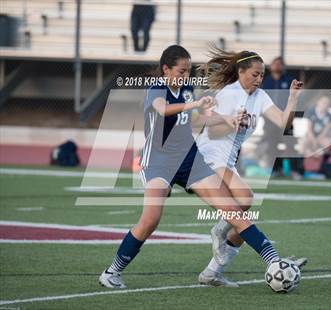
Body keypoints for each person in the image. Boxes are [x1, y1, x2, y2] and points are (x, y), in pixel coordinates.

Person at [99, 45, 294, 289]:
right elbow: (163, 109)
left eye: (188, 71)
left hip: (189, 159)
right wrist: (193, 105)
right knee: (150, 220)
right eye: (181, 71)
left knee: (233, 210)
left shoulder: (188, 90)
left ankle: (273, 260)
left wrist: (226, 119)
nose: (185, 76)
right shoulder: (157, 88)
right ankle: (112, 272)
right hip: (159, 161)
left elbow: (197, 120)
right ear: (166, 69)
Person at [196, 49, 306, 287]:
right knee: (245, 197)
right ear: (241, 72)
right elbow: (212, 131)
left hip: (228, 159)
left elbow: (281, 123)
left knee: (241, 216)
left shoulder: (261, 96)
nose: (259, 79)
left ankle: (211, 272)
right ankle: (218, 232)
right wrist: (232, 122)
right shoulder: (229, 94)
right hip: (210, 155)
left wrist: (293, 98)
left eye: (262, 75)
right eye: (255, 74)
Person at [259, 57, 294, 176]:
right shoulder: (265, 82)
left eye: (280, 64)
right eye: (276, 64)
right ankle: (275, 170)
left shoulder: (289, 81)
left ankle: (291, 169)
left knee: (290, 144)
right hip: (270, 120)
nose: (278, 66)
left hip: (286, 119)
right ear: (270, 66)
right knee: (271, 145)